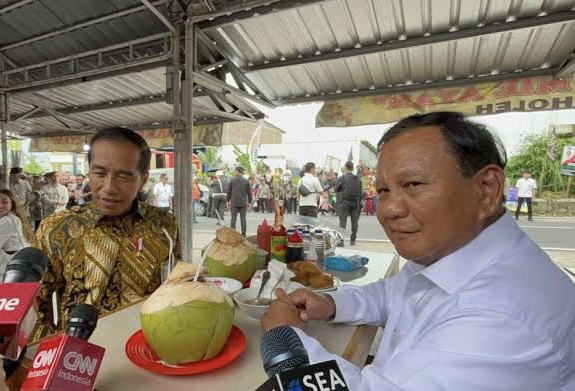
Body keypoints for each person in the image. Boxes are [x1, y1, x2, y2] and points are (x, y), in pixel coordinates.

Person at [261, 112, 575, 390]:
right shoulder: (452, 252)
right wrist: (329, 304)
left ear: (486, 189)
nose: (389, 210)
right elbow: (392, 294)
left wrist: (282, 337)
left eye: (413, 184)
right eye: (383, 191)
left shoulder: (503, 317)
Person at [32, 127, 180, 341]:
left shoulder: (164, 224)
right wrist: (48, 356)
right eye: (99, 173)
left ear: (143, 179)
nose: (109, 187)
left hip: (150, 345)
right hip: (78, 360)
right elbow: (35, 308)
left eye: (124, 177)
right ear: (89, 171)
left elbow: (174, 283)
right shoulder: (57, 228)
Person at [0, 189, 33, 280]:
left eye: (5, 202)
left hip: (12, 265)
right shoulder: (8, 218)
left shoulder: (8, 220)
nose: (0, 205)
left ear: (12, 204)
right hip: (18, 265)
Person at [335, 161, 362, 246]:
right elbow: (361, 192)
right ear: (353, 168)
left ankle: (341, 242)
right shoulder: (358, 178)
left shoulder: (342, 177)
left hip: (345, 202)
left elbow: (336, 189)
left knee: (342, 222)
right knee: (355, 222)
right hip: (355, 202)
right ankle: (353, 241)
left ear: (346, 168)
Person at [227, 166, 252, 237]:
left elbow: (229, 191)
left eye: (235, 171)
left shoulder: (232, 180)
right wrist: (249, 202)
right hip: (243, 203)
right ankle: (243, 234)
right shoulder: (246, 181)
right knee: (243, 219)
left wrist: (228, 200)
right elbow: (249, 193)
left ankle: (232, 234)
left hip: (234, 203)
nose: (234, 172)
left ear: (238, 171)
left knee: (233, 219)